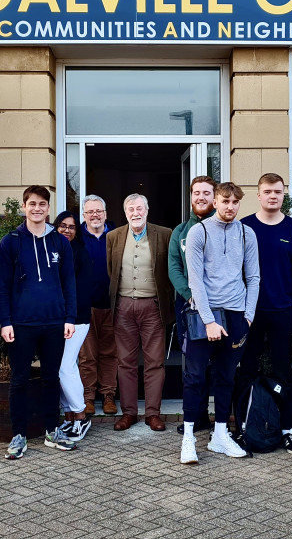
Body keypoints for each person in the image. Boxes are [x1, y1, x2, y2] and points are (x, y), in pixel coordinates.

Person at [0, 185, 77, 459]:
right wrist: (5, 322)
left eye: (42, 204)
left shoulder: (60, 242)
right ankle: (18, 435)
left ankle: (52, 431)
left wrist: (69, 317)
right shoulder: (11, 242)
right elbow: (1, 286)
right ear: (24, 207)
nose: (37, 208)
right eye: (32, 204)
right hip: (21, 324)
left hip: (54, 322)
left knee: (51, 378)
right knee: (19, 380)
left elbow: (69, 282)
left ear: (48, 208)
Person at [180, 182, 260, 464]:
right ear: (215, 201)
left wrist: (248, 315)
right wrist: (209, 320)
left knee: (226, 377)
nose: (230, 207)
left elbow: (253, 277)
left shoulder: (247, 233)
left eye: (235, 202)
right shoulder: (198, 231)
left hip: (237, 315)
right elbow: (195, 280)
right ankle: (189, 438)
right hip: (205, 315)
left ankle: (220, 435)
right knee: (195, 377)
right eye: (225, 201)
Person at [238, 173, 292, 455]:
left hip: (282, 312)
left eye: (278, 192)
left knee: (284, 373)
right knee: (246, 371)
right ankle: (243, 428)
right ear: (258, 194)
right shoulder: (244, 227)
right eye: (267, 191)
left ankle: (287, 431)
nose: (272, 196)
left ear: (283, 195)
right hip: (250, 314)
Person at [106, 194, 174, 432]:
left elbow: (171, 269)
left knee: (155, 362)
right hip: (123, 306)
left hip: (153, 306)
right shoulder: (113, 237)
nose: (135, 213)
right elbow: (111, 271)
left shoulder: (164, 234)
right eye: (130, 209)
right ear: (125, 212)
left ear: (147, 210)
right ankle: (129, 413)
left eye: (139, 208)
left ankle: (153, 414)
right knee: (125, 362)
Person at [168, 176, 218, 436]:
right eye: (196, 192)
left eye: (206, 193)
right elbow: (174, 267)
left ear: (214, 197)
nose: (201, 197)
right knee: (193, 365)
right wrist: (190, 295)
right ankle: (197, 417)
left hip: (220, 305)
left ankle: (219, 420)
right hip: (188, 305)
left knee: (218, 364)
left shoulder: (224, 227)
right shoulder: (180, 232)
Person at [53, 210, 94, 443]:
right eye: (63, 226)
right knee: (61, 368)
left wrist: (70, 316)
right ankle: (68, 418)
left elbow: (81, 290)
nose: (67, 230)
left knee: (65, 367)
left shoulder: (79, 252)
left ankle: (81, 415)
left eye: (72, 227)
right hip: (56, 319)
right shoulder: (53, 250)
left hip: (77, 319)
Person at [79, 194, 118, 416]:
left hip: (112, 305)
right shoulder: (76, 238)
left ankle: (109, 395)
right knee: (87, 355)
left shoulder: (116, 236)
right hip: (86, 307)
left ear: (105, 213)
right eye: (90, 211)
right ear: (84, 215)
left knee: (110, 354)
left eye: (98, 211)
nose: (95, 215)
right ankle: (88, 397)